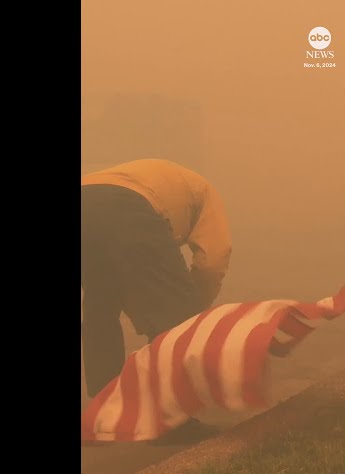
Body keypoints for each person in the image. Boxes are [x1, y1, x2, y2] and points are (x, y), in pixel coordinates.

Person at [81, 159, 232, 398]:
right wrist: (192, 314)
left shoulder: (166, 181)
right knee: (175, 317)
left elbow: (131, 274)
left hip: (85, 197)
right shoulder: (206, 194)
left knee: (100, 306)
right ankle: (171, 417)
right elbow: (212, 261)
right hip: (130, 205)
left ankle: (105, 404)